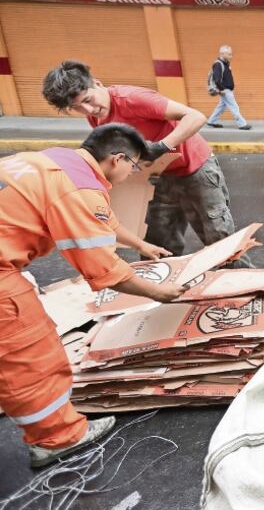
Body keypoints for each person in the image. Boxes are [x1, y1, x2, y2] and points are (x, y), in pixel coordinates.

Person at [0, 124, 189, 468]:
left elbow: (103, 223)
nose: (133, 173)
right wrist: (161, 293)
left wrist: (142, 245)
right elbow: (106, 271)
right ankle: (57, 439)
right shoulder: (79, 190)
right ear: (117, 159)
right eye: (134, 166)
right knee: (31, 353)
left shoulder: (57, 161)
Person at [42, 61, 251, 265]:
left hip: (194, 170)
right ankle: (164, 294)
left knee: (221, 243)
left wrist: (162, 146)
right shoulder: (96, 114)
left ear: (97, 83)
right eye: (78, 107)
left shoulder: (132, 99)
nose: (88, 110)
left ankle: (250, 289)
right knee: (157, 247)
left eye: (89, 99)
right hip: (156, 179)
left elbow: (195, 116)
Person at [206, 45, 251, 130]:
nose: (231, 56)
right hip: (225, 90)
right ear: (222, 53)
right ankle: (242, 124)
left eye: (231, 54)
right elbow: (217, 79)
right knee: (234, 107)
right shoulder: (218, 64)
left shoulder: (225, 64)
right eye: (229, 54)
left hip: (227, 89)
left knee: (221, 107)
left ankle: (211, 121)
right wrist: (222, 89)